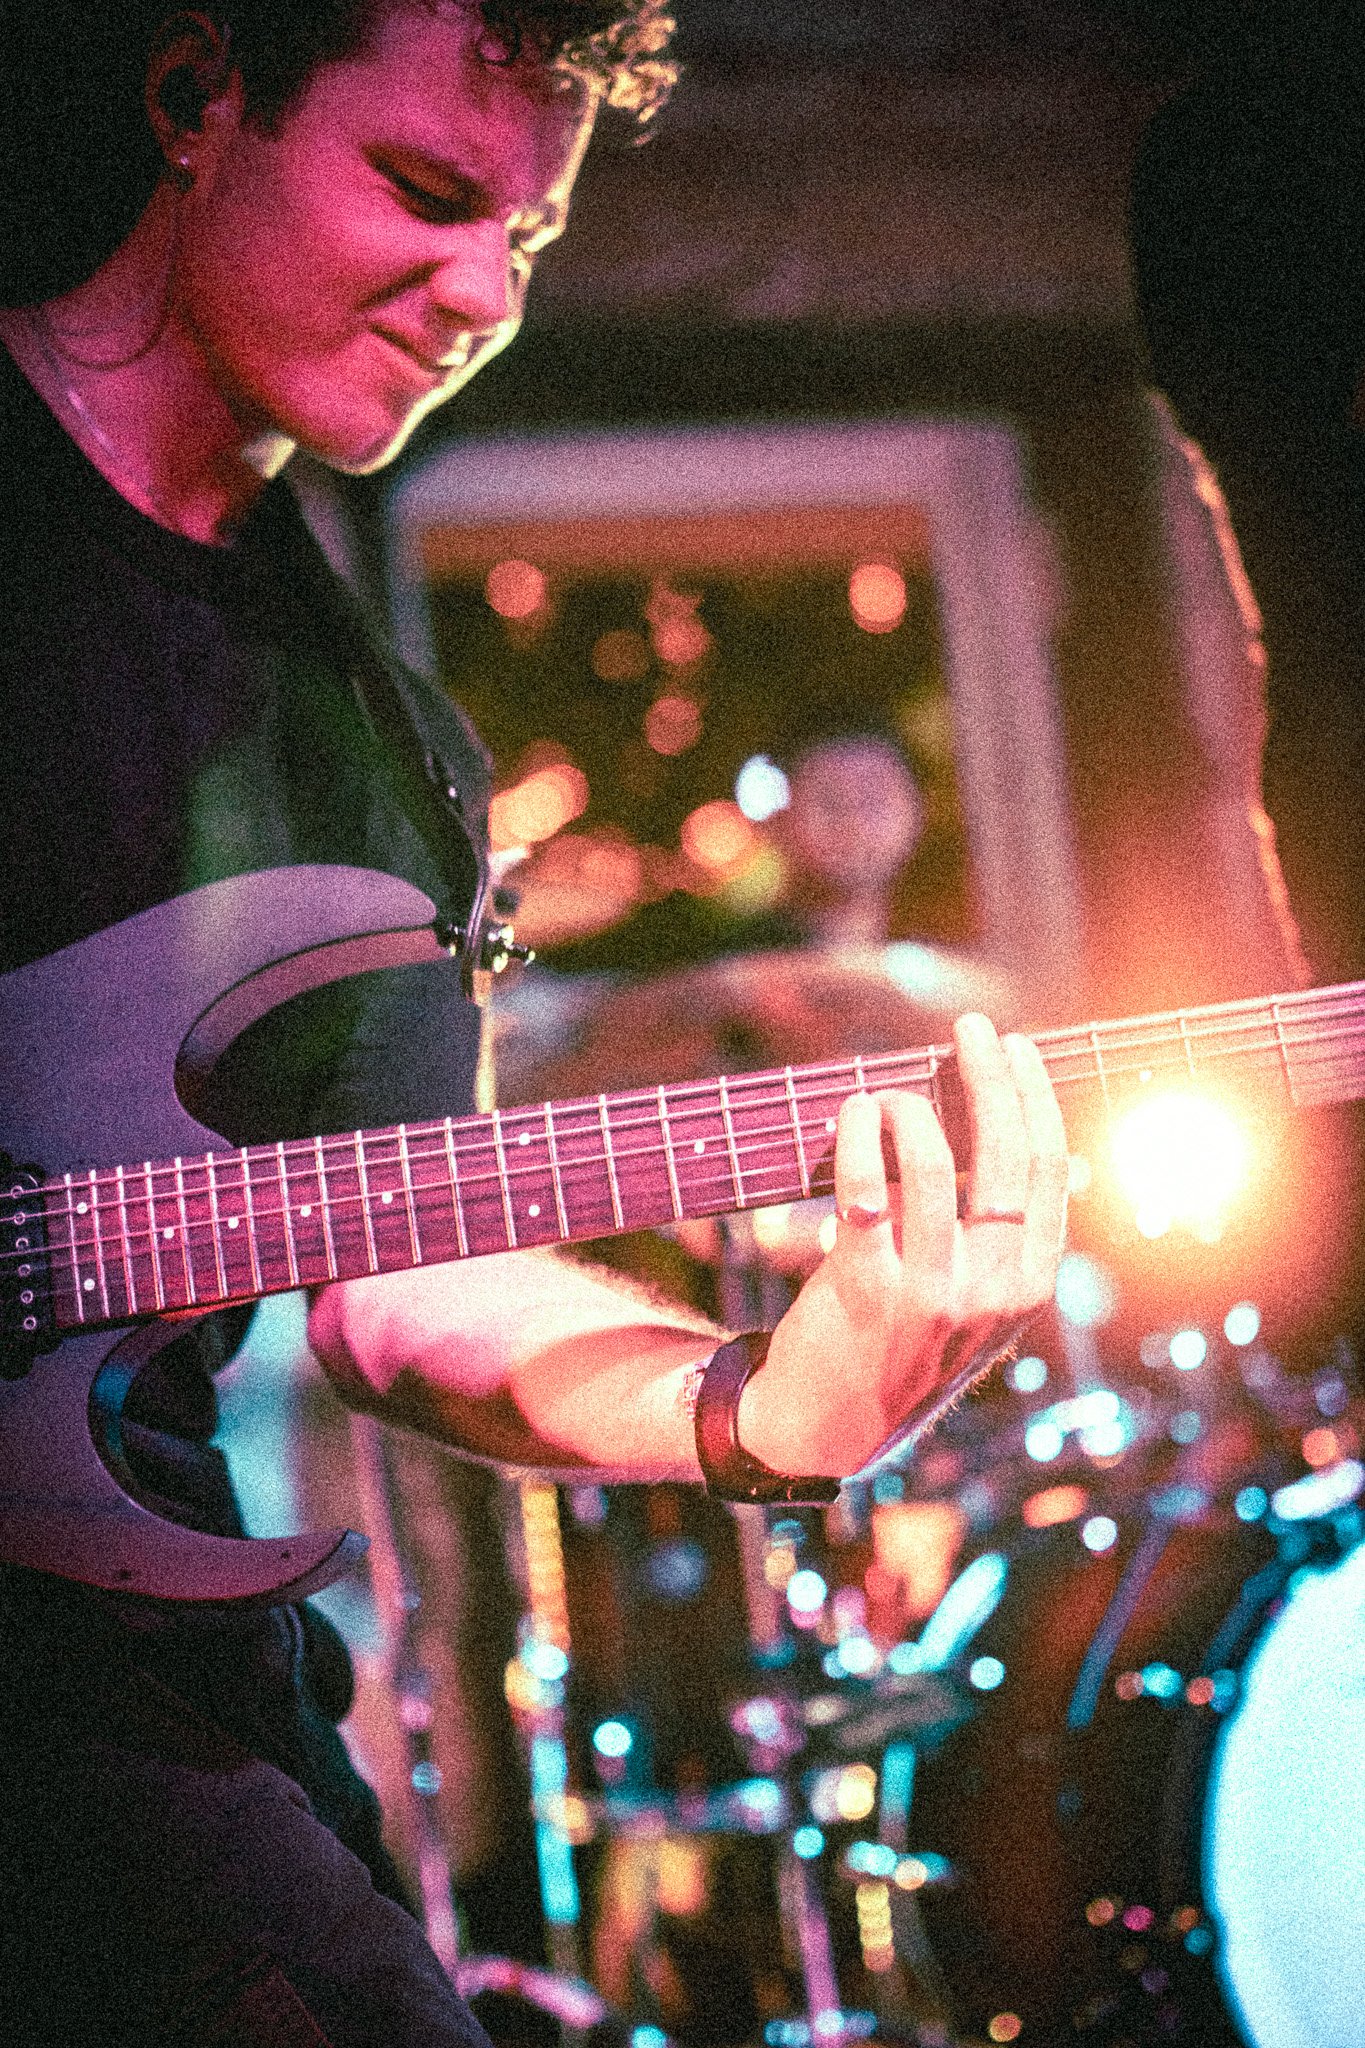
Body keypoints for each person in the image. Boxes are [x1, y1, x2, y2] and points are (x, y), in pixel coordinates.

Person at [0, 5, 1069, 2042]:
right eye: (423, 190)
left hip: (109, 1716)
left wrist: (757, 1406)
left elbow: (387, 1281)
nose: (483, 289)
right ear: (193, 97)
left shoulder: (385, 771)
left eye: (532, 236)